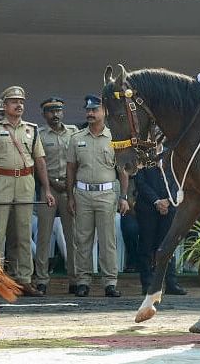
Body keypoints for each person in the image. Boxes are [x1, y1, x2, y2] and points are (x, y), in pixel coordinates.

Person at [0, 85, 55, 297]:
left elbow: (40, 161)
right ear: (5, 106)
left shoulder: (31, 129)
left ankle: (24, 280)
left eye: (21, 101)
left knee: (24, 233)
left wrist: (47, 190)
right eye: (14, 101)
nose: (19, 105)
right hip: (2, 180)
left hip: (25, 181)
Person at [67, 94, 130, 298]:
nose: (90, 113)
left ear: (105, 112)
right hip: (83, 193)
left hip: (107, 193)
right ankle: (83, 281)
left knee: (107, 240)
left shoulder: (115, 138)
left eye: (95, 110)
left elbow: (123, 171)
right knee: (82, 239)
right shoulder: (77, 138)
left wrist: (124, 197)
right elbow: (71, 169)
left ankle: (110, 282)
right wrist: (70, 196)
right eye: (88, 110)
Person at [34, 96, 79, 294]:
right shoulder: (40, 134)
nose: (55, 115)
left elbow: (78, 161)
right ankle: (42, 279)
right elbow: (37, 164)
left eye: (58, 110)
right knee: (44, 236)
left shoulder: (74, 133)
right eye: (51, 111)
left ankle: (75, 279)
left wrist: (69, 186)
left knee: (73, 236)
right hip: (49, 189)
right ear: (44, 114)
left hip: (70, 189)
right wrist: (51, 184)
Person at [133, 161, 186, 295]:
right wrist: (156, 201)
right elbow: (140, 183)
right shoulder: (143, 157)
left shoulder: (172, 155)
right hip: (147, 208)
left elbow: (179, 181)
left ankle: (171, 283)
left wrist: (168, 200)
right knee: (146, 244)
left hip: (170, 207)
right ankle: (148, 283)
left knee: (169, 244)